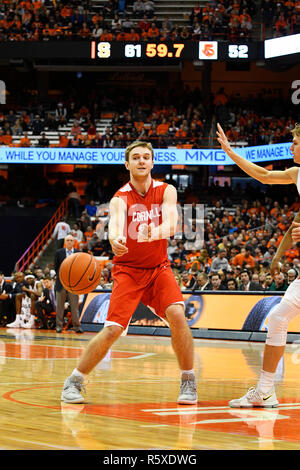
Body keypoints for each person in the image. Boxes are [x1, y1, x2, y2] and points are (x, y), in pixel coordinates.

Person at [61, 140, 197, 405]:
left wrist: (153, 233)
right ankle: (74, 382)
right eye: (136, 157)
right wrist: (114, 239)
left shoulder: (166, 190)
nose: (142, 161)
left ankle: (188, 381)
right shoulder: (120, 198)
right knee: (112, 329)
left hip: (159, 268)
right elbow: (115, 224)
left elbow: (170, 223)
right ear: (127, 164)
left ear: (153, 162)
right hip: (128, 271)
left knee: (178, 315)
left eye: (146, 157)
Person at [216, 121, 300, 408]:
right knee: (277, 319)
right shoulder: (297, 173)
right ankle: (265, 391)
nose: (291, 147)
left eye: (296, 142)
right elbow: (263, 175)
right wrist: (231, 153)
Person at [54, 235, 83, 334]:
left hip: (73, 284)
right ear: (65, 242)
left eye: (71, 240)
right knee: (60, 306)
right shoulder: (59, 253)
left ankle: (77, 326)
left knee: (74, 306)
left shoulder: (78, 253)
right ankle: (59, 326)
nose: (70, 242)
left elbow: (80, 267)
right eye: (68, 240)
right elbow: (56, 267)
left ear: (74, 242)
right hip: (61, 283)